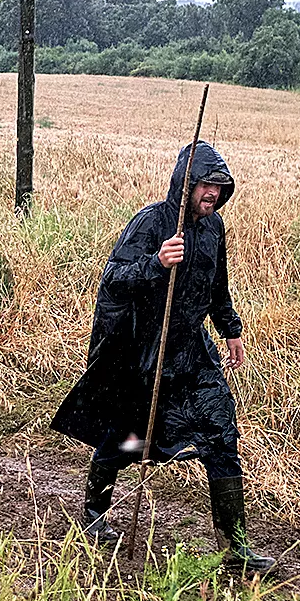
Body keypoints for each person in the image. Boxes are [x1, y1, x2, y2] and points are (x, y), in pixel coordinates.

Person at [50, 139, 275, 575]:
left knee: (221, 430)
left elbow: (216, 287)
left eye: (219, 187)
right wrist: (156, 262)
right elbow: (114, 279)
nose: (212, 193)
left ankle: (235, 548)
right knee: (129, 437)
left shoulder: (214, 229)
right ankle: (94, 517)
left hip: (192, 351)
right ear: (185, 183)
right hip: (143, 353)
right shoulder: (152, 223)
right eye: (205, 185)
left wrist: (230, 330)